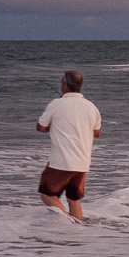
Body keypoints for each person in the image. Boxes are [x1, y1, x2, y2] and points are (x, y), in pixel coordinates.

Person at [35, 70, 102, 221]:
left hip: (61, 161)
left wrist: (53, 126)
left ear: (65, 86)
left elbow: (40, 127)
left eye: (61, 83)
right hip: (83, 162)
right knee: (74, 200)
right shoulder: (92, 107)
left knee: (47, 195)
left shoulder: (56, 104)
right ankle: (77, 234)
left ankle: (67, 225)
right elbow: (97, 133)